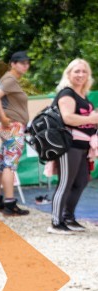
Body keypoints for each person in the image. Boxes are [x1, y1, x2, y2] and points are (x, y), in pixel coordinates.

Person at [47, 58, 98, 234]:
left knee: (81, 181)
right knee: (65, 183)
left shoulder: (84, 97)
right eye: (76, 71)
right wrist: (92, 119)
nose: (80, 74)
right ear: (68, 74)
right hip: (68, 145)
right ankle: (55, 222)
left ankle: (68, 217)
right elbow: (68, 118)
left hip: (83, 146)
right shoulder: (67, 94)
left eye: (84, 71)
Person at [0, 51, 32, 215]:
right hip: (13, 127)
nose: (26, 65)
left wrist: (0, 119)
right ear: (12, 64)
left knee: (1, 163)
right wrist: (2, 117)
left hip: (8, 126)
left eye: (27, 63)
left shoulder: (9, 79)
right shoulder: (9, 79)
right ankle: (9, 203)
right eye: (22, 62)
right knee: (9, 165)